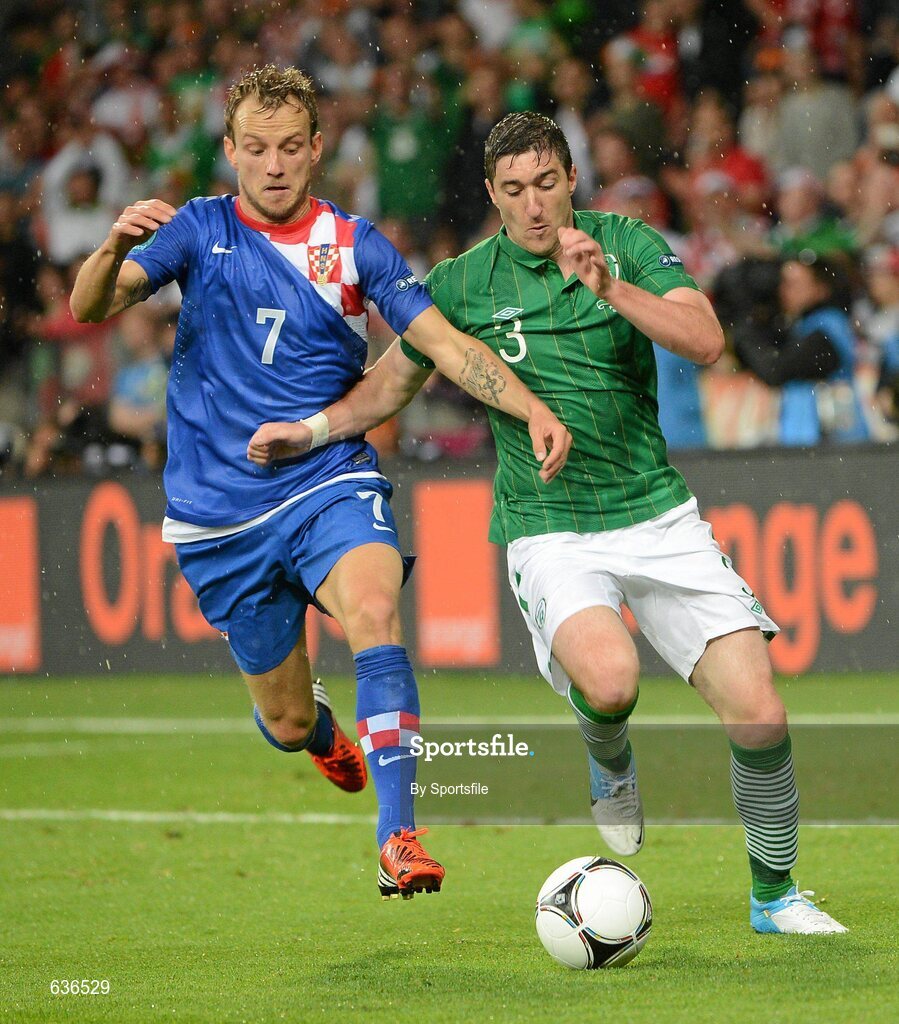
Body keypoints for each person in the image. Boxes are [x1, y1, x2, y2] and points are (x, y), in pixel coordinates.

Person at [250, 112, 848, 935]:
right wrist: (312, 432)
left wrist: (608, 286)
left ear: (570, 179)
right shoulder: (462, 284)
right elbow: (389, 386)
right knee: (609, 685)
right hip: (549, 525)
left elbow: (707, 342)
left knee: (762, 716)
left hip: (657, 514)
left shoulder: (625, 243)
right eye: (513, 191)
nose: (533, 206)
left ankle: (774, 896)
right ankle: (609, 763)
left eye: (545, 183)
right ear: (493, 197)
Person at [69, 69, 571, 902]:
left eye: (290, 148)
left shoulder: (354, 245)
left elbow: (442, 345)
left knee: (374, 610)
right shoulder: (197, 230)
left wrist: (529, 408)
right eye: (256, 149)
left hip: (324, 479)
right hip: (218, 515)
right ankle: (322, 732)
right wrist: (114, 245)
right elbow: (93, 306)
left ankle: (397, 837)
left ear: (317, 149)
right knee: (288, 720)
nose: (273, 166)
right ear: (229, 151)